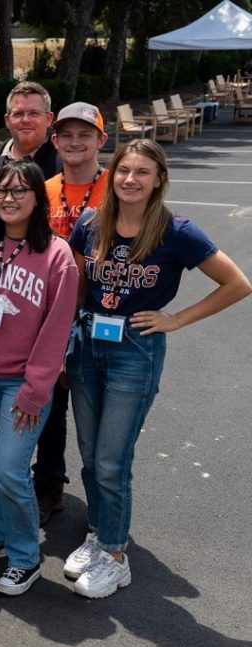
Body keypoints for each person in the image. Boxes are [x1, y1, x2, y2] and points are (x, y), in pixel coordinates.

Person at [64, 139, 250, 598]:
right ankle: (99, 533)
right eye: (124, 170)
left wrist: (176, 319)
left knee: (112, 459)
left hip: (135, 349)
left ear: (158, 180)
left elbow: (237, 283)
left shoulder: (176, 232)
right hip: (87, 345)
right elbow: (74, 284)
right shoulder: (90, 223)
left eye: (142, 172)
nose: (131, 180)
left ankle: (115, 555)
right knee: (90, 456)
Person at [0, 161, 79, 596]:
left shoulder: (57, 255)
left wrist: (35, 389)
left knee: (10, 469)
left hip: (23, 383)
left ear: (38, 199)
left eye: (20, 191)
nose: (9, 198)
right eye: (2, 190)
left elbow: (58, 327)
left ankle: (26, 556)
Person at [34, 102, 111, 525]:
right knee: (48, 402)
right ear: (55, 140)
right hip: (48, 312)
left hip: (99, 315)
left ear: (101, 139)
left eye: (85, 134)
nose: (75, 142)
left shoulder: (118, 189)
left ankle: (105, 510)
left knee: (94, 414)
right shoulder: (44, 189)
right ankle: (48, 484)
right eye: (67, 135)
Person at [0, 81, 62, 184]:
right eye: (18, 114)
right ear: (7, 121)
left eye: (34, 113)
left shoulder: (63, 166)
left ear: (48, 119)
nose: (26, 120)